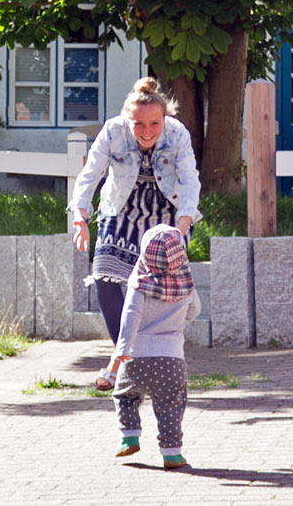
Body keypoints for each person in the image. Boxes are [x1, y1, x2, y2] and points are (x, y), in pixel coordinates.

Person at [69, 76, 200, 390]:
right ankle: (123, 356)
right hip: (121, 208)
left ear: (164, 118)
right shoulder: (113, 131)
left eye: (154, 123)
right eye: (138, 124)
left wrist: (182, 228)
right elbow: (91, 174)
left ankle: (121, 364)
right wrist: (79, 215)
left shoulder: (178, 134)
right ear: (127, 119)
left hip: (167, 213)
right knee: (104, 275)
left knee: (147, 289)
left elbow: (189, 180)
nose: (146, 131)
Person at [107, 224, 200, 471]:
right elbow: (195, 310)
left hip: (136, 356)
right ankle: (172, 454)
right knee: (171, 405)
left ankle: (129, 435)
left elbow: (130, 315)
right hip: (172, 359)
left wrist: (123, 347)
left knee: (125, 396)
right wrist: (177, 324)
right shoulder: (185, 283)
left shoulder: (138, 283)